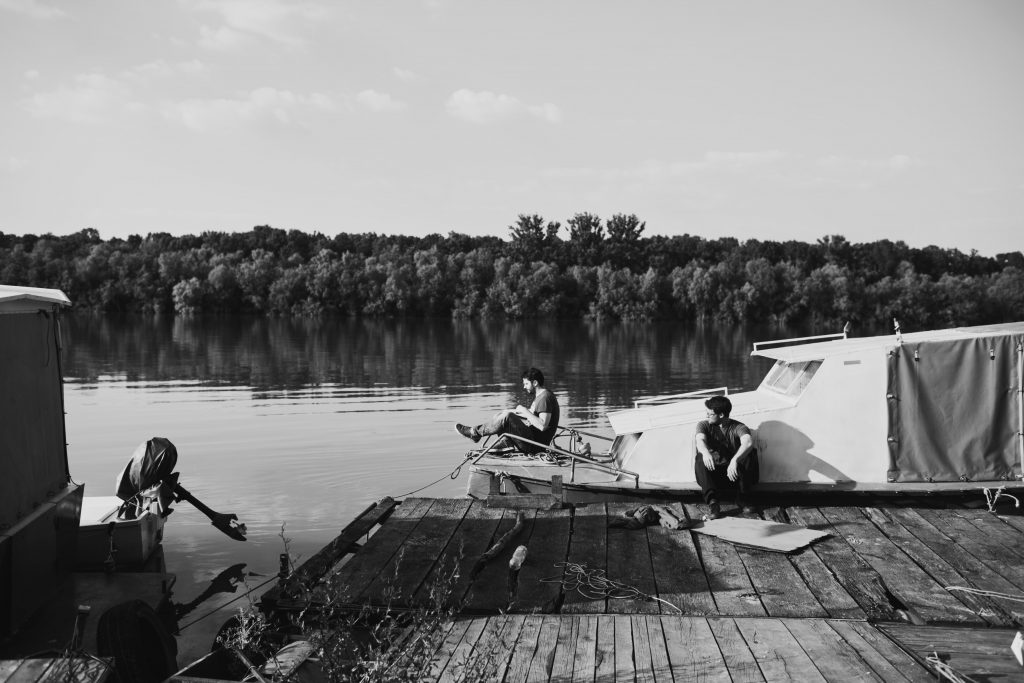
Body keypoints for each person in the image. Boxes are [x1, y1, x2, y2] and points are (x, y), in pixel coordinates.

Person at [455, 367, 560, 453]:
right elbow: (533, 416)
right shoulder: (541, 396)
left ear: (535, 383)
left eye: (526, 384)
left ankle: (474, 433)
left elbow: (542, 425)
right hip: (531, 440)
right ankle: (506, 442)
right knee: (504, 414)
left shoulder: (545, 398)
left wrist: (524, 411)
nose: (524, 387)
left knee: (507, 417)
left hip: (535, 446)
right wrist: (508, 411)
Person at [694, 395, 759, 519]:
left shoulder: (738, 427)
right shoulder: (704, 425)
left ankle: (743, 498)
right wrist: (705, 453)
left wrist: (735, 460)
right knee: (700, 458)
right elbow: (700, 440)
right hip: (715, 475)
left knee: (749, 454)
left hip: (734, 475)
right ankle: (713, 503)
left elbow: (748, 442)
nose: (707, 416)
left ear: (721, 415)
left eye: (710, 414)